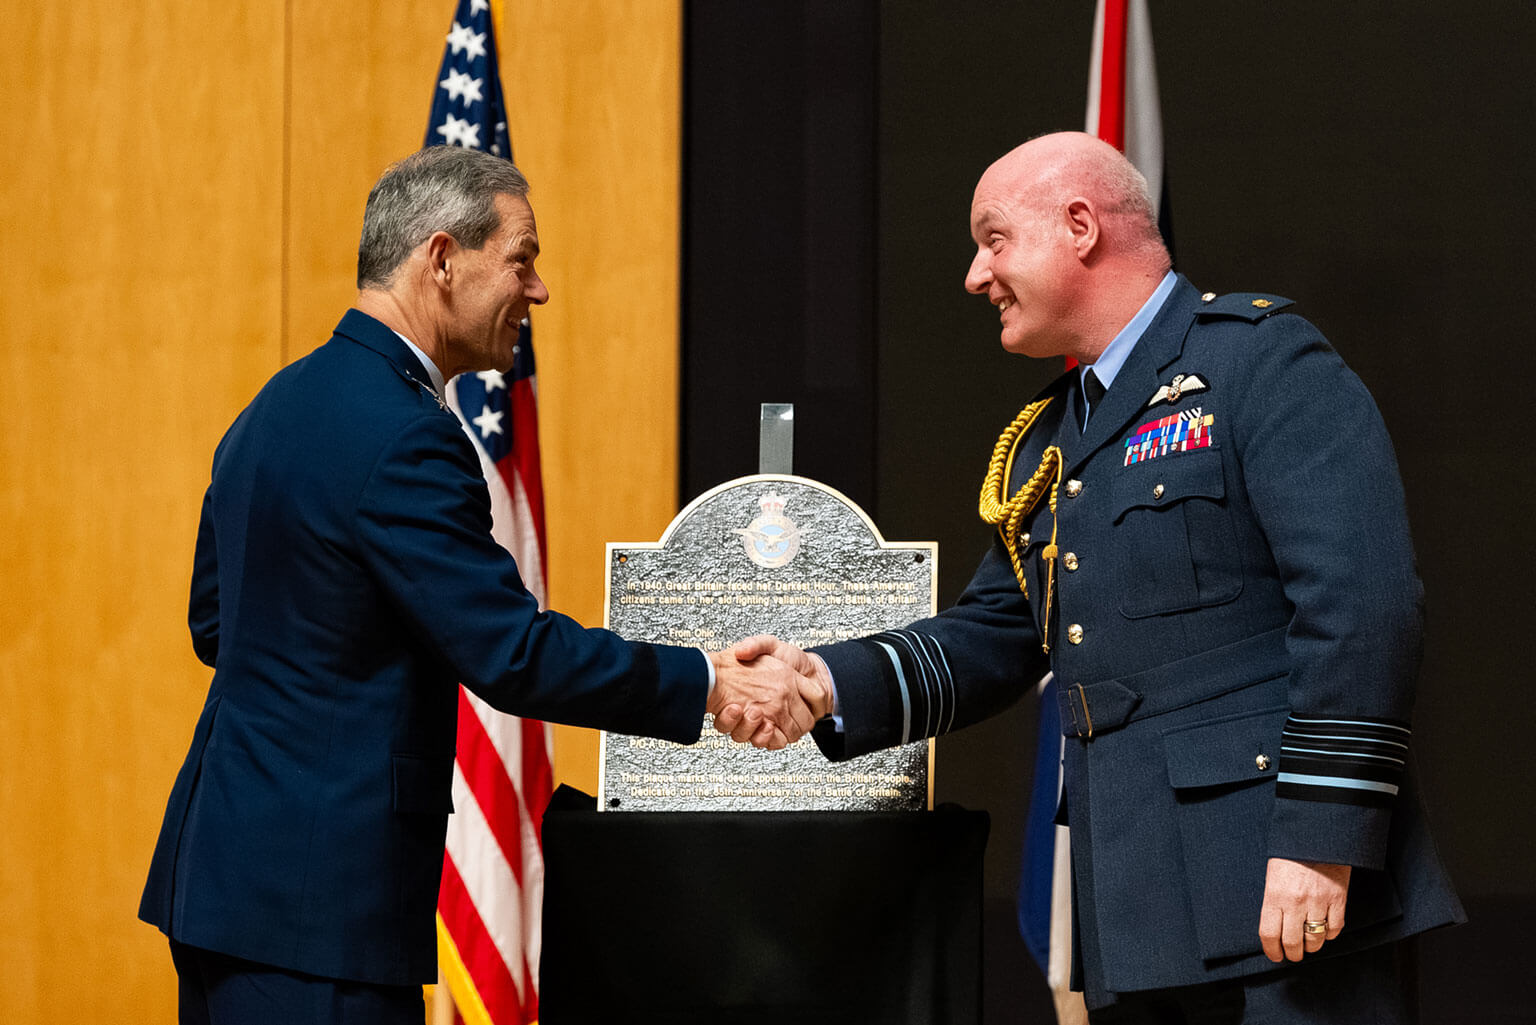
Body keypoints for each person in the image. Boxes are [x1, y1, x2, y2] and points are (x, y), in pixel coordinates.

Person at [720, 132, 1463, 1022]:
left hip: (1284, 889)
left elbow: (1363, 609)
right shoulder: (1052, 436)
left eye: (994, 240)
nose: (974, 275)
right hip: (1137, 903)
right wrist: (826, 679)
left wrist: (1322, 841)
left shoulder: (1260, 361)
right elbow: (998, 631)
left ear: (1080, 225)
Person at [139, 146, 829, 1025]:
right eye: (521, 258)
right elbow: (510, 652)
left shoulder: (274, 404)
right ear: (440, 258)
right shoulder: (406, 435)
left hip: (224, 886)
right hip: (320, 909)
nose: (537, 290)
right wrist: (708, 680)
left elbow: (216, 624)